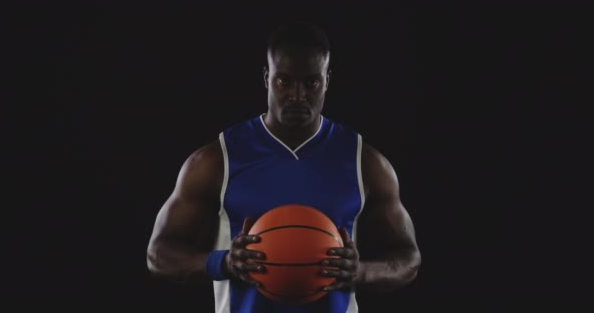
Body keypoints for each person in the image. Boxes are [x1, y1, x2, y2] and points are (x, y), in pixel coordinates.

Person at [146, 21, 421, 313]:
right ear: (267, 78)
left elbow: (408, 259)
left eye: (311, 82)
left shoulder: (363, 161)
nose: (298, 95)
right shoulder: (218, 159)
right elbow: (158, 254)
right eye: (284, 81)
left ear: (327, 80)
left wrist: (361, 271)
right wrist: (223, 262)